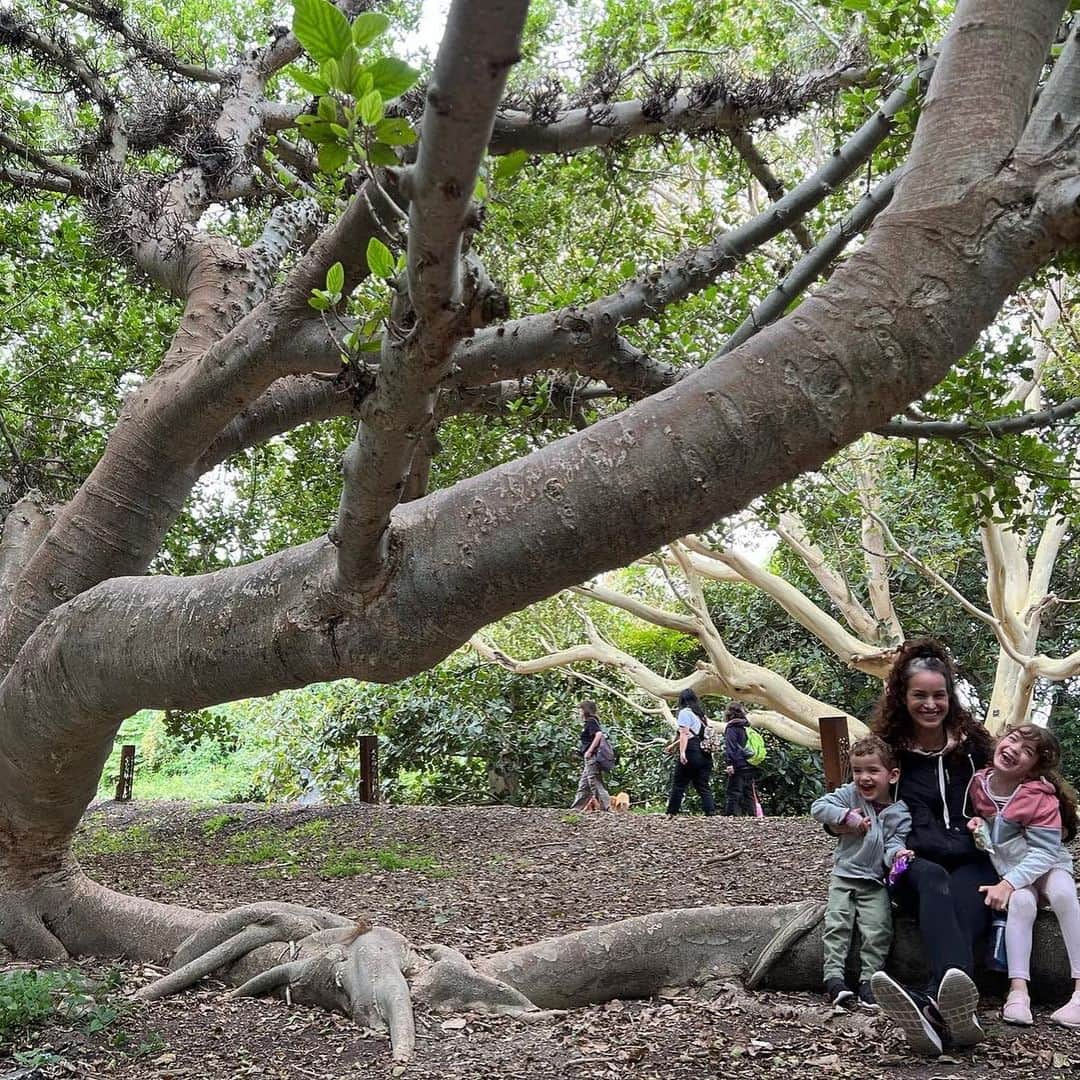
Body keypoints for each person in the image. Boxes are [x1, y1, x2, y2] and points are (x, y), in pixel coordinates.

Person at [862, 638, 995, 1057]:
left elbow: (1010, 792)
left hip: (972, 857)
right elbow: (857, 796)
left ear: (950, 697)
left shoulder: (974, 747)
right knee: (935, 879)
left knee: (968, 894)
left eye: (939, 695)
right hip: (912, 863)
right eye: (920, 695)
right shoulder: (889, 750)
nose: (930, 704)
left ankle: (931, 1004)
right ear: (903, 696)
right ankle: (949, 1006)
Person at [966, 723, 1080, 1028]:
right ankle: (1018, 992)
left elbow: (1044, 852)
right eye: (1012, 739)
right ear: (1000, 740)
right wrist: (980, 828)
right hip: (1013, 872)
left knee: (1063, 893)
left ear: (1033, 767)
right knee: (1021, 905)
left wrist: (1007, 884)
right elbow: (996, 835)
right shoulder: (979, 784)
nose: (1014, 749)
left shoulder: (1039, 796)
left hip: (1046, 867)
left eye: (1027, 751)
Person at [811, 735, 912, 1010]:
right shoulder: (849, 794)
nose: (864, 778)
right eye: (857, 770)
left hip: (874, 882)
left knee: (879, 928)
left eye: (872, 770)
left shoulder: (899, 813)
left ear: (892, 776)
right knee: (837, 924)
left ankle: (870, 982)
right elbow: (818, 808)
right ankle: (833, 980)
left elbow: (894, 843)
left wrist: (898, 856)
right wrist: (846, 817)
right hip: (844, 876)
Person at [664, 688, 715, 816]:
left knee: (679, 783)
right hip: (705, 753)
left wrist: (682, 752)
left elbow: (685, 734)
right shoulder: (701, 715)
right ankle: (711, 812)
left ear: (681, 700)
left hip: (691, 751)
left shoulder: (684, 713)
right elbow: (695, 734)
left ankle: (672, 812)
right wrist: (673, 746)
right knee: (702, 784)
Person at [569, 699, 610, 811]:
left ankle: (606, 807)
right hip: (590, 758)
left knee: (595, 782)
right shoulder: (590, 722)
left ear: (585, 710)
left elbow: (599, 735)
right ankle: (576, 808)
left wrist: (590, 751)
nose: (579, 713)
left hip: (593, 757)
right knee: (584, 784)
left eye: (580, 710)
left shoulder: (591, 721)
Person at [723, 703, 757, 815]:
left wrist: (729, 763)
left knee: (733, 792)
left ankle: (730, 816)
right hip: (749, 761)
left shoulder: (731, 728)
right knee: (749, 793)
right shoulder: (745, 727)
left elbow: (730, 747)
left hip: (738, 763)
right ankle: (753, 816)